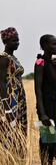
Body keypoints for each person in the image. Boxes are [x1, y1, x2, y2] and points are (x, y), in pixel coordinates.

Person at [34, 34, 56, 165]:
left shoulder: (55, 64)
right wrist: (42, 113)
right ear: (44, 46)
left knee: (55, 136)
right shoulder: (40, 62)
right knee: (47, 138)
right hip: (46, 105)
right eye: (53, 44)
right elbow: (38, 89)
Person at [0, 27, 27, 156]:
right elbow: (1, 82)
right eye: (14, 41)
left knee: (19, 127)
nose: (17, 43)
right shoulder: (3, 58)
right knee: (9, 129)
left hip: (19, 96)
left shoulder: (13, 57)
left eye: (18, 40)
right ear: (5, 42)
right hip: (9, 98)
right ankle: (8, 162)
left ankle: (19, 159)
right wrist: (6, 107)